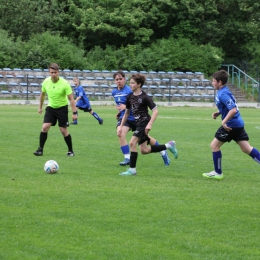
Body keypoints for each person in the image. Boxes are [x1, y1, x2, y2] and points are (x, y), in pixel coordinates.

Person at [202, 70, 260, 180]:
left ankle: (218, 173)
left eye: (214, 81)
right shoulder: (224, 91)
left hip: (230, 125)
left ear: (220, 82)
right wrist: (219, 113)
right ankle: (217, 172)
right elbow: (229, 106)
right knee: (246, 149)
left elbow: (233, 110)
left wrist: (223, 122)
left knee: (214, 146)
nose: (212, 83)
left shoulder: (223, 93)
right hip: (238, 124)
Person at [117, 73, 178, 176]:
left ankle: (132, 170)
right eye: (130, 83)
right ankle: (169, 145)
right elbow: (127, 113)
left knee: (132, 143)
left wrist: (149, 124)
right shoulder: (129, 97)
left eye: (132, 83)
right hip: (138, 123)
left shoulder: (145, 97)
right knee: (144, 150)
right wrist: (121, 126)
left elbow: (155, 111)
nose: (130, 85)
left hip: (144, 123)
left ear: (139, 84)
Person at [33, 63, 77, 156]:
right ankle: (40, 150)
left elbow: (71, 99)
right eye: (52, 72)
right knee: (45, 127)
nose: (53, 74)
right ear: (49, 72)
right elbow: (42, 95)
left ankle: (70, 151)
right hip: (51, 108)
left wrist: (74, 112)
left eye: (55, 72)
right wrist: (40, 107)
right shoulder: (46, 82)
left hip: (62, 108)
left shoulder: (65, 83)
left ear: (58, 72)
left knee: (63, 130)